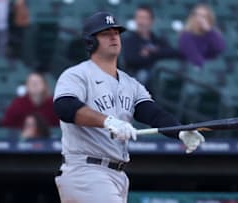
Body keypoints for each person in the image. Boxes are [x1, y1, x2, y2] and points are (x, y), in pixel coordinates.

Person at [53, 12, 205, 203]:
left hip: (116, 175)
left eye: (116, 32)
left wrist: (180, 131)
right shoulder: (77, 75)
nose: (114, 36)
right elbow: (64, 107)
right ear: (91, 41)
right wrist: (107, 121)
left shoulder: (130, 83)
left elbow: (152, 113)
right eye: (105, 33)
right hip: (86, 171)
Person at [122, 5, 180, 84]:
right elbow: (131, 59)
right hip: (135, 80)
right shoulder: (129, 40)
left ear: (151, 21)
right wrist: (155, 56)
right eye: (138, 18)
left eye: (144, 18)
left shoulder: (157, 39)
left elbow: (173, 53)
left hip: (156, 79)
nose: (140, 22)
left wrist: (151, 52)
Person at [179, 4, 225, 68]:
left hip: (212, 68)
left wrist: (209, 31)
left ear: (209, 19)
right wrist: (206, 68)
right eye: (197, 15)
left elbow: (220, 48)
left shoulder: (212, 33)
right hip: (194, 69)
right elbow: (193, 55)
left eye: (203, 16)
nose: (200, 19)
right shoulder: (186, 35)